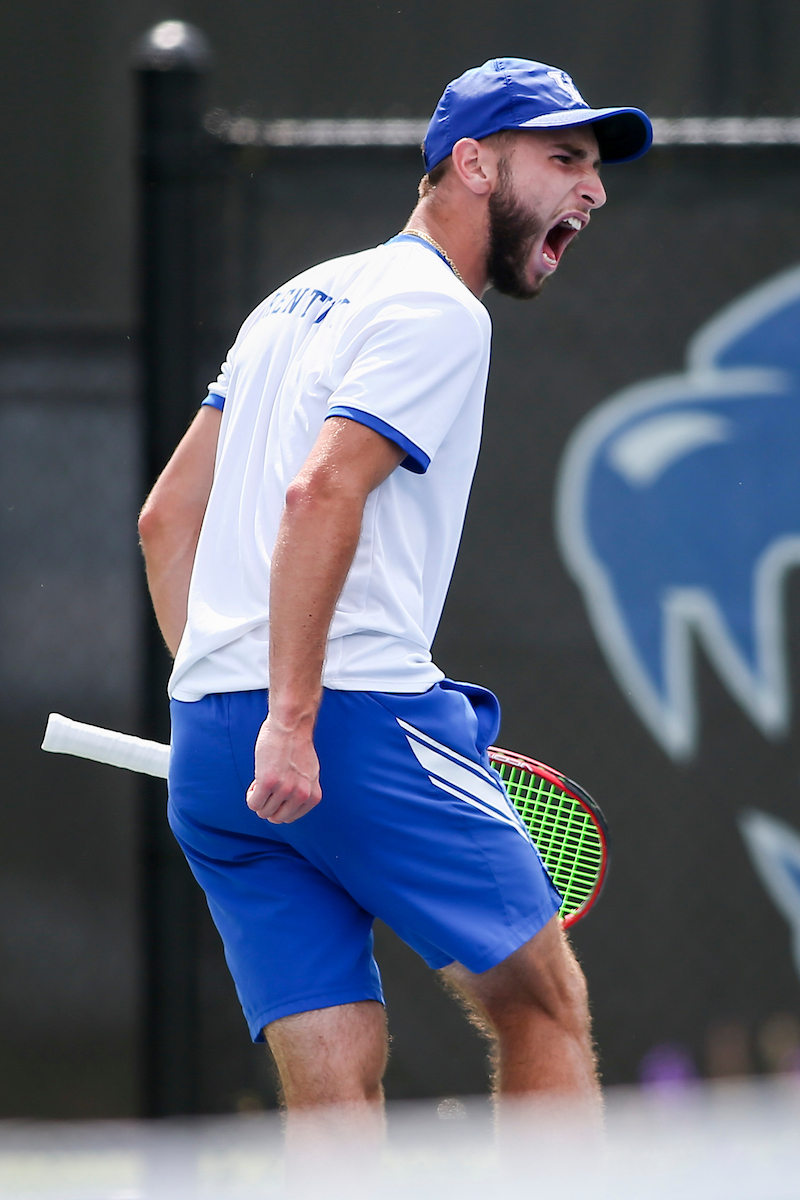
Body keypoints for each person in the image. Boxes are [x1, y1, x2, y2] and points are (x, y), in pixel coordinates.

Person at [139, 58, 651, 1135]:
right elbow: (322, 487)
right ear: (471, 164)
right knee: (543, 1006)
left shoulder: (290, 303)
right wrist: (288, 716)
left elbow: (164, 523)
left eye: (593, 168)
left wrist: (220, 702)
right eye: (561, 159)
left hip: (215, 753)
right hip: (347, 718)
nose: (589, 189)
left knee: (331, 1083)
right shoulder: (436, 312)